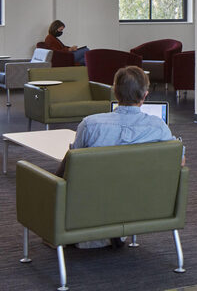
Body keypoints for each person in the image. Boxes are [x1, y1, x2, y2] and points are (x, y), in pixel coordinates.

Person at [57, 65, 175, 249]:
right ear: (145, 95)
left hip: (93, 203)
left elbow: (73, 166)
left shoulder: (90, 124)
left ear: (114, 91)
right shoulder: (158, 127)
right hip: (141, 203)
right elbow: (177, 160)